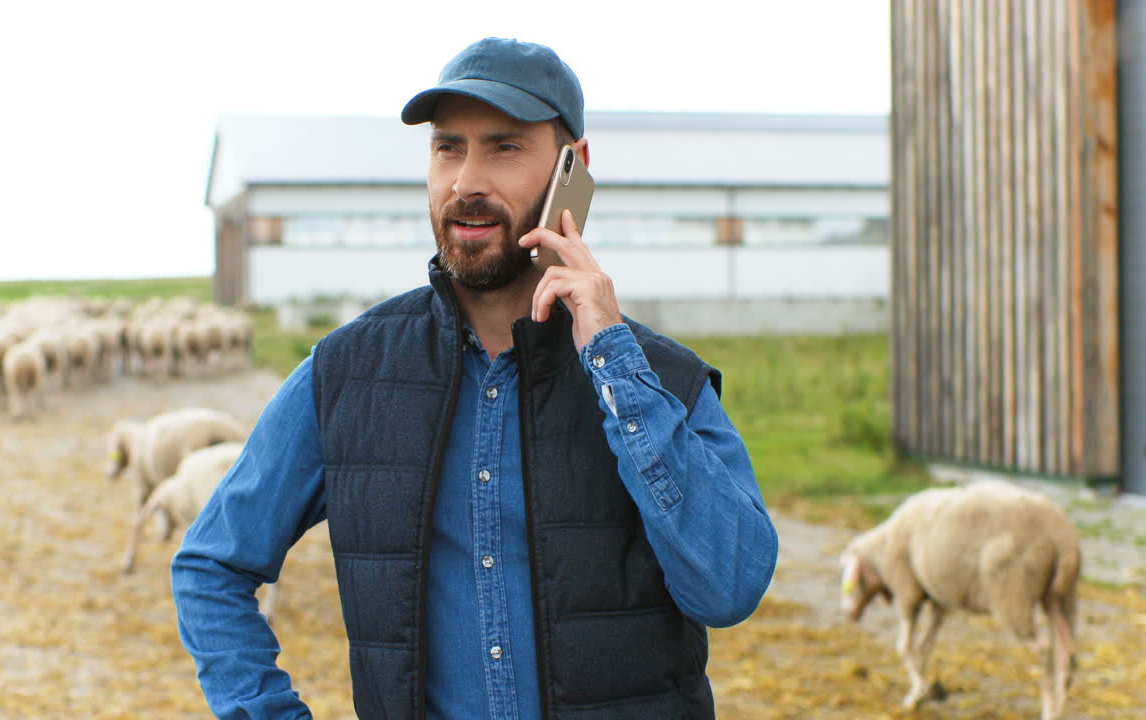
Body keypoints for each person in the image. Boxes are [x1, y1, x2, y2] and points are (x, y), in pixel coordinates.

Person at [171, 37, 779, 720]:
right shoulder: (347, 375)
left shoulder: (663, 381)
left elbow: (727, 589)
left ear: (572, 169)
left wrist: (613, 359)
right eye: (448, 147)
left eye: (505, 147)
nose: (466, 181)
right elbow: (210, 567)